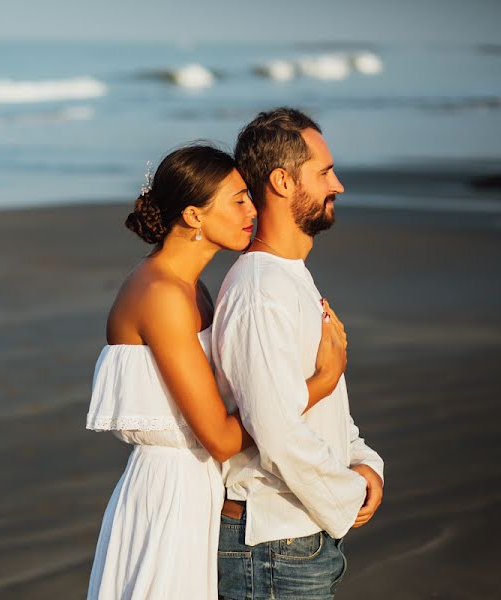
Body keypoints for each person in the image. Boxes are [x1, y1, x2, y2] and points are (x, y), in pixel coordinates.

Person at [85, 143, 350, 599]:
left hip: (200, 484)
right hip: (169, 495)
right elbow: (223, 438)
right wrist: (319, 383)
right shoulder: (163, 295)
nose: (253, 210)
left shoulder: (195, 290)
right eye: (238, 200)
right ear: (193, 215)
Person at [214, 108, 385, 600]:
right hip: (274, 542)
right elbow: (276, 428)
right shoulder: (260, 289)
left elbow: (325, 405)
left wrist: (365, 463)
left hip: (299, 533)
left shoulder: (288, 276)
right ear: (284, 181)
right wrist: (347, 492)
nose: (339, 185)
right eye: (325, 172)